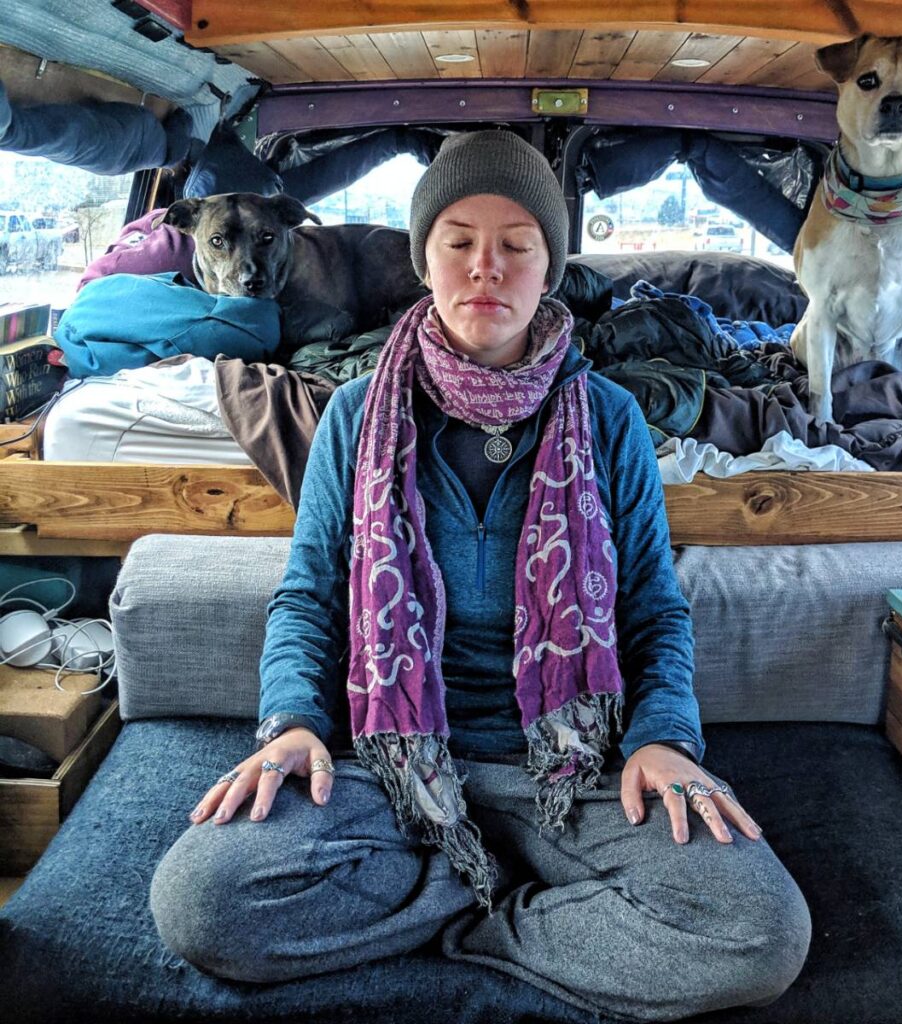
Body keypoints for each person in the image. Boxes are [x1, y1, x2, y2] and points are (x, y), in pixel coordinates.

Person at [150, 130, 811, 1022]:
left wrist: (665, 738)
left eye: (516, 246)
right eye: (459, 242)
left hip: (578, 765)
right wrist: (292, 722)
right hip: (386, 757)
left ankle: (462, 919)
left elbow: (654, 609)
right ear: (425, 261)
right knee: (202, 898)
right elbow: (310, 596)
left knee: (759, 931)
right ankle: (506, 899)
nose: (485, 269)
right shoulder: (354, 415)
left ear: (550, 267)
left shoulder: (610, 419)